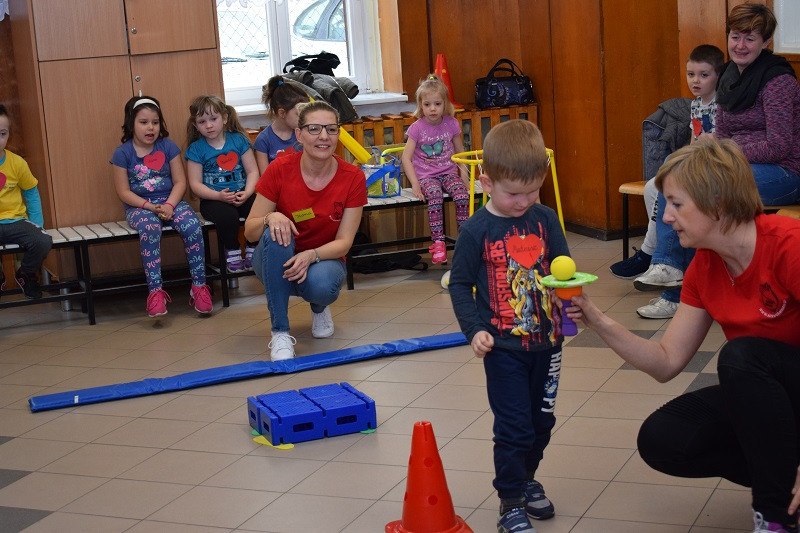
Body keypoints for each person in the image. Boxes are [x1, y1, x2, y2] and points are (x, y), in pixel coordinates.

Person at [568, 137, 800, 533]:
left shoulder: (788, 245)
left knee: (740, 358)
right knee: (664, 438)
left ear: (718, 204)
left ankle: (775, 514)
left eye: (676, 204)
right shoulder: (704, 268)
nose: (667, 218)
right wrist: (598, 321)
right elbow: (666, 362)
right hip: (772, 406)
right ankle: (783, 482)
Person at [448, 120, 568, 533]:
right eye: (513, 193)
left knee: (542, 424)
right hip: (503, 349)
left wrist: (570, 301)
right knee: (514, 426)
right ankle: (510, 500)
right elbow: (460, 284)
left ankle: (526, 476)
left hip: (549, 344)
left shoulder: (546, 220)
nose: (524, 202)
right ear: (486, 181)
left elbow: (561, 273)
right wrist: (474, 329)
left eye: (533, 190)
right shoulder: (477, 230)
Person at [243, 101, 366, 361]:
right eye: (314, 129)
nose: (323, 136)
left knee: (321, 285)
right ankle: (280, 333)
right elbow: (250, 232)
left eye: (331, 129)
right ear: (299, 135)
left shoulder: (353, 177)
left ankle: (319, 307)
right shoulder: (279, 169)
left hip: (323, 258)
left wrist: (311, 255)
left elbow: (344, 243)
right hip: (276, 257)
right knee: (276, 232)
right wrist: (270, 217)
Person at [609, 44, 724, 285]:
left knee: (665, 187)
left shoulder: (722, 103)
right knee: (654, 186)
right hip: (696, 162)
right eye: (691, 74)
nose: (696, 81)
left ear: (718, 75)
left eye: (704, 75)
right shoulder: (696, 104)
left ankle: (650, 255)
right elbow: (693, 142)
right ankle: (658, 257)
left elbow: (719, 143)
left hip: (714, 166)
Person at [110, 96, 213, 317]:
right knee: (150, 229)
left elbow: (180, 182)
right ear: (131, 124)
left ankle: (199, 286)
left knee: (192, 226)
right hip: (139, 207)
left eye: (155, 122)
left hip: (171, 201)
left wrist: (169, 204)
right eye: (144, 122)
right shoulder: (122, 153)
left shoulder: (168, 147)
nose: (151, 127)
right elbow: (124, 192)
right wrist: (149, 206)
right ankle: (155, 291)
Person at [716, 3, 800, 206]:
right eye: (735, 37)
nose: (740, 46)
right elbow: (722, 135)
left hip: (784, 172)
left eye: (750, 39)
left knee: (707, 184)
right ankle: (659, 240)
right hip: (736, 164)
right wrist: (720, 152)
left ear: (766, 42)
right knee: (674, 169)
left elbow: (778, 147)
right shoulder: (727, 76)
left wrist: (729, 152)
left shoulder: (778, 80)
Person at [185, 95, 260, 272]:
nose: (209, 125)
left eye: (213, 119)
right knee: (228, 217)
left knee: (259, 209)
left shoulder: (239, 140)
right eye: (202, 121)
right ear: (195, 125)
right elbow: (195, 184)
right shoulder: (196, 149)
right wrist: (218, 196)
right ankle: (233, 250)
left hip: (242, 193)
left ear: (225, 118)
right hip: (213, 200)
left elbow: (253, 171)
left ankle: (252, 247)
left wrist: (248, 192)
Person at [401, 75, 470, 265]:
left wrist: (463, 175)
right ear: (420, 105)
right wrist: (415, 184)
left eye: (437, 104)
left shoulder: (451, 123)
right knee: (435, 195)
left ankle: (464, 241)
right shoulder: (416, 128)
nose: (432, 109)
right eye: (427, 104)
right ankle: (438, 242)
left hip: (448, 173)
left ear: (445, 104)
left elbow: (460, 151)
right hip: (426, 177)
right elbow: (406, 158)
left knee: (462, 195)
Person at [0, 103, 52, 299]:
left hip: (16, 222)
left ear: (9, 135)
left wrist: (37, 224)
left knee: (42, 241)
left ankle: (26, 273)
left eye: (2, 134)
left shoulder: (17, 163)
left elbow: (31, 193)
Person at [253, 75, 311, 174]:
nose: (305, 119)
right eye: (299, 114)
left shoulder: (305, 133)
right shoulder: (263, 139)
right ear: (282, 113)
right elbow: (266, 178)